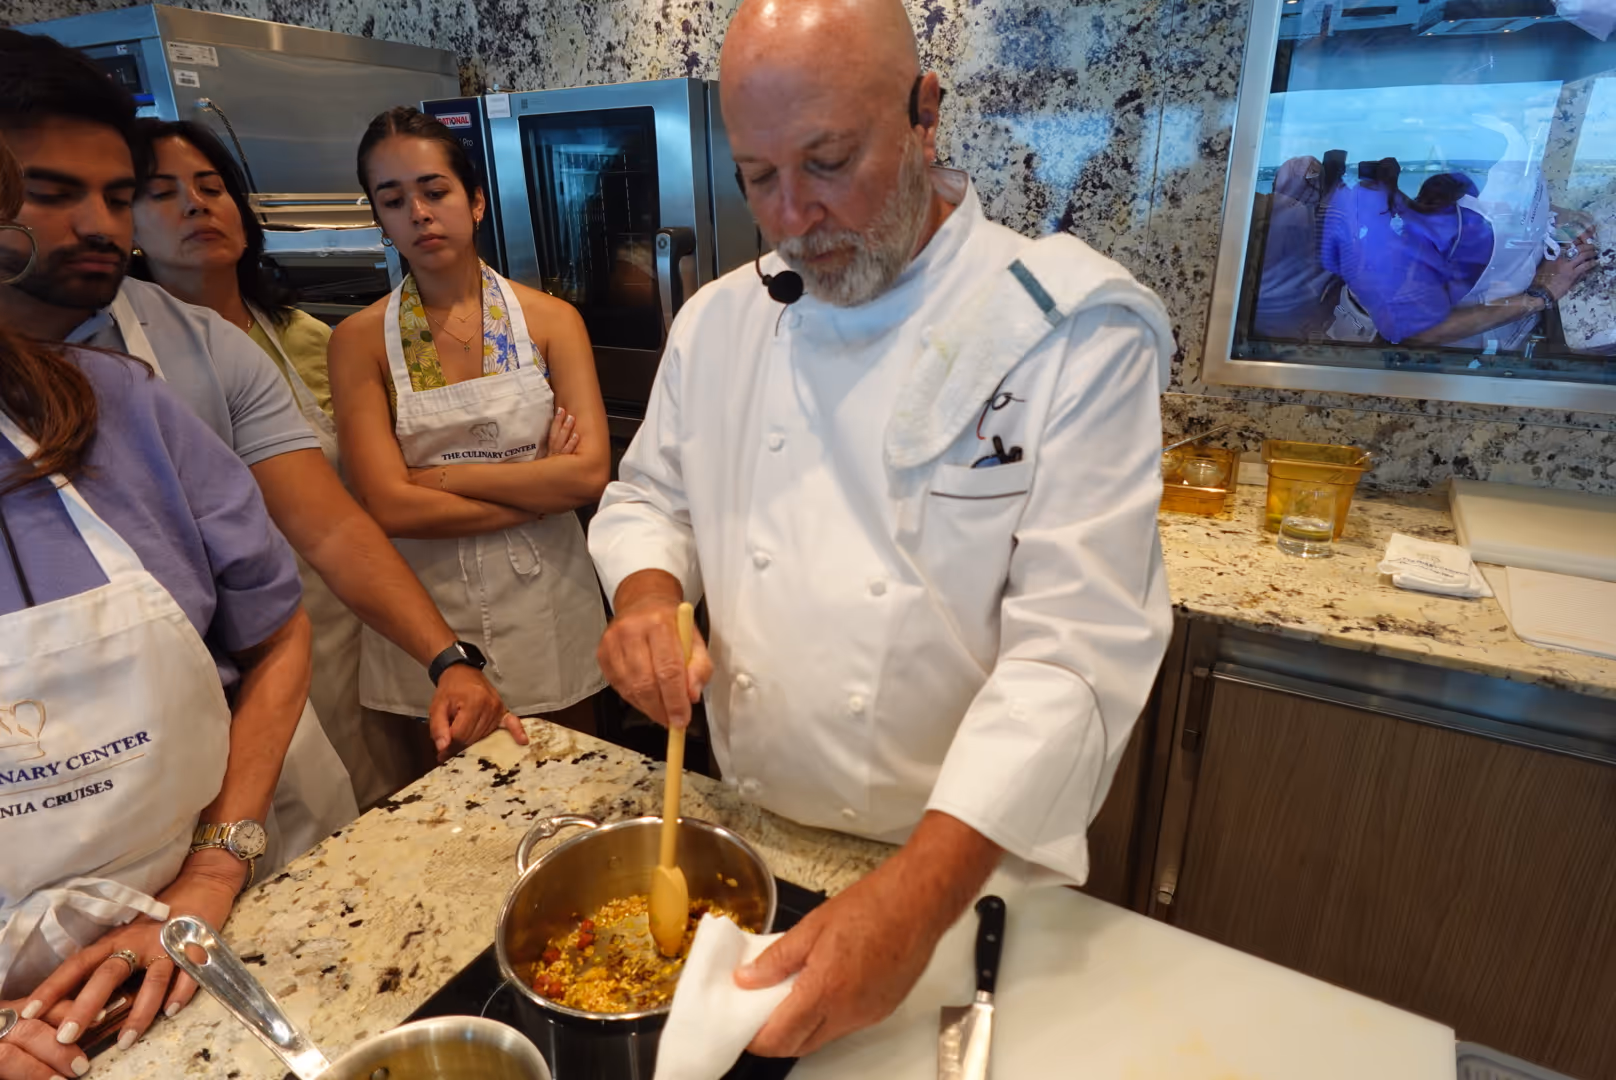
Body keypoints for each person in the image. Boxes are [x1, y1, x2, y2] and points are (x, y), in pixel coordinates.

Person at [588, 0, 1175, 1058]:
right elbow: (648, 499)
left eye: (826, 160)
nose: (794, 217)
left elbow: (1074, 656)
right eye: (757, 177)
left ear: (923, 114)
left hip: (961, 871)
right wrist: (645, 594)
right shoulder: (721, 320)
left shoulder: (1068, 328)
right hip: (754, 833)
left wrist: (913, 902)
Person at [0, 30, 527, 826]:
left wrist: (447, 657)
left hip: (251, 747)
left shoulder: (198, 355)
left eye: (113, 195)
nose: (98, 224)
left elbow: (328, 528)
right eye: (50, 193)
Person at [0, 131, 307, 1067]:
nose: (97, 223)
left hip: (200, 925)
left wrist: (215, 870)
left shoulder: (120, 407)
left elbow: (277, 624)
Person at [128, 118, 419, 808]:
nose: (198, 204)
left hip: (354, 616)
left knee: (386, 797)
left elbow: (354, 506)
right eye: (163, 192)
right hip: (239, 641)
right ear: (125, 224)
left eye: (211, 186)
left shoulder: (306, 336)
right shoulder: (126, 368)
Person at [327, 107, 609, 730]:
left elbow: (588, 477)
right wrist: (540, 491)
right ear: (379, 219)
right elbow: (390, 508)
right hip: (427, 622)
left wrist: (436, 480)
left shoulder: (552, 321)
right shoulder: (359, 341)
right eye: (394, 199)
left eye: (435, 191)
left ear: (475, 202)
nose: (419, 213)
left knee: (572, 790)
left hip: (548, 609)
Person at [1321, 150, 1599, 349]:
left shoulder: (1473, 149)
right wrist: (1540, 295)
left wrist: (1543, 214)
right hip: (1453, 364)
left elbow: (1479, 202)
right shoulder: (1408, 246)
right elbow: (1418, 330)